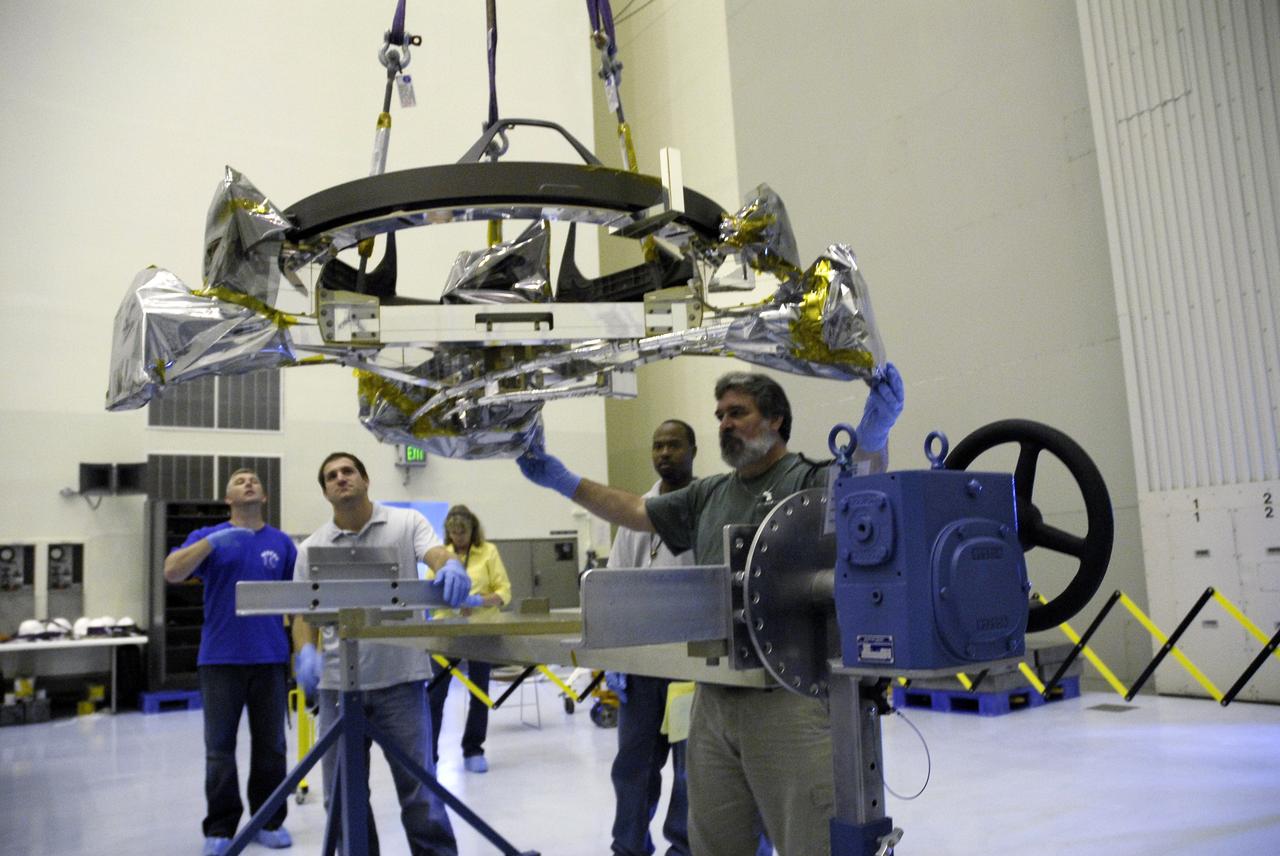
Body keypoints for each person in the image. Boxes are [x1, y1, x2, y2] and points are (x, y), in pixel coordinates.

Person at [517, 365, 905, 856]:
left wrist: (874, 433)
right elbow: (634, 511)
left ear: (776, 420)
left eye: (738, 413)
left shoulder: (807, 480)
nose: (724, 423)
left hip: (789, 701)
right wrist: (562, 479)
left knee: (809, 841)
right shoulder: (708, 495)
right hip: (714, 700)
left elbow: (860, 488)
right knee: (713, 843)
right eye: (720, 415)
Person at [291, 452, 475, 856]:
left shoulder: (406, 524)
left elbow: (435, 554)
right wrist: (305, 653)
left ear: (366, 478)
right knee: (342, 799)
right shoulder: (311, 549)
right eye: (331, 476)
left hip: (401, 683)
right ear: (324, 491)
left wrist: (450, 566)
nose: (341, 479)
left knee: (421, 794)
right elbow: (303, 615)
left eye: (348, 471)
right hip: (338, 688)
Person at [163, 468, 296, 856]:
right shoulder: (206, 538)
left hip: (270, 658)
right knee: (219, 749)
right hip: (220, 659)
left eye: (254, 480)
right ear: (228, 500)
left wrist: (305, 651)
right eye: (239, 481)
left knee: (271, 747)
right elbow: (172, 571)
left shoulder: (282, 544)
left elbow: (302, 598)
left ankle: (269, 820)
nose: (248, 483)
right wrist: (213, 542)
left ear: (265, 497)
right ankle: (220, 827)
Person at [604, 419, 698, 856]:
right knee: (633, 769)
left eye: (673, 445)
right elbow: (615, 585)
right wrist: (615, 658)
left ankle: (683, 849)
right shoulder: (635, 511)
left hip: (692, 668)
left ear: (692, 450)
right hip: (642, 667)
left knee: (688, 772)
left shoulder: (707, 505)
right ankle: (629, 848)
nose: (663, 453)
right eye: (657, 445)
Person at [427, 504, 512, 774]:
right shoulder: (443, 555)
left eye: (462, 533)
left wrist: (477, 601)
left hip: (481, 630)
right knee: (435, 694)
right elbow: (429, 591)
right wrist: (451, 603)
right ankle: (429, 756)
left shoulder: (488, 552)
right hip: (447, 633)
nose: (457, 538)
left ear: (472, 530)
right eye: (453, 533)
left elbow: (504, 591)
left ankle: (474, 749)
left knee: (479, 693)